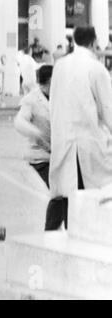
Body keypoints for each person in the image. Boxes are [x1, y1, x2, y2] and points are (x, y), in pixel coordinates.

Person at [48, 26, 112, 231]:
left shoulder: (60, 65)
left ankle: (57, 238)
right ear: (94, 42)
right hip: (86, 144)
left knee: (65, 195)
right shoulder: (96, 68)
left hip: (63, 141)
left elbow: (53, 103)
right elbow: (107, 108)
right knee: (87, 198)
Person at [15, 65, 52, 187]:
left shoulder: (58, 96)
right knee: (58, 193)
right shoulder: (31, 99)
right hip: (40, 157)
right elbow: (19, 122)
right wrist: (36, 132)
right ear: (50, 80)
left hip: (57, 155)